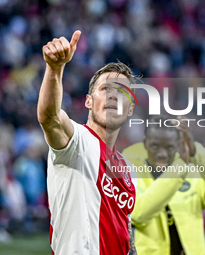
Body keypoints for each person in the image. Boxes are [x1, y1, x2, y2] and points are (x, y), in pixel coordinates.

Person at [37, 30, 138, 254]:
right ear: (89, 102)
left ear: (130, 109)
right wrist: (55, 69)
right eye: (105, 89)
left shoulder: (128, 171)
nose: (113, 95)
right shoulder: (78, 142)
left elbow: (126, 236)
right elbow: (50, 118)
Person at [122, 116, 205, 255]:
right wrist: (179, 168)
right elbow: (139, 214)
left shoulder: (190, 173)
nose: (162, 154)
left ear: (177, 145)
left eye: (169, 147)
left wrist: (195, 152)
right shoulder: (131, 172)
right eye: (155, 146)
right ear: (145, 144)